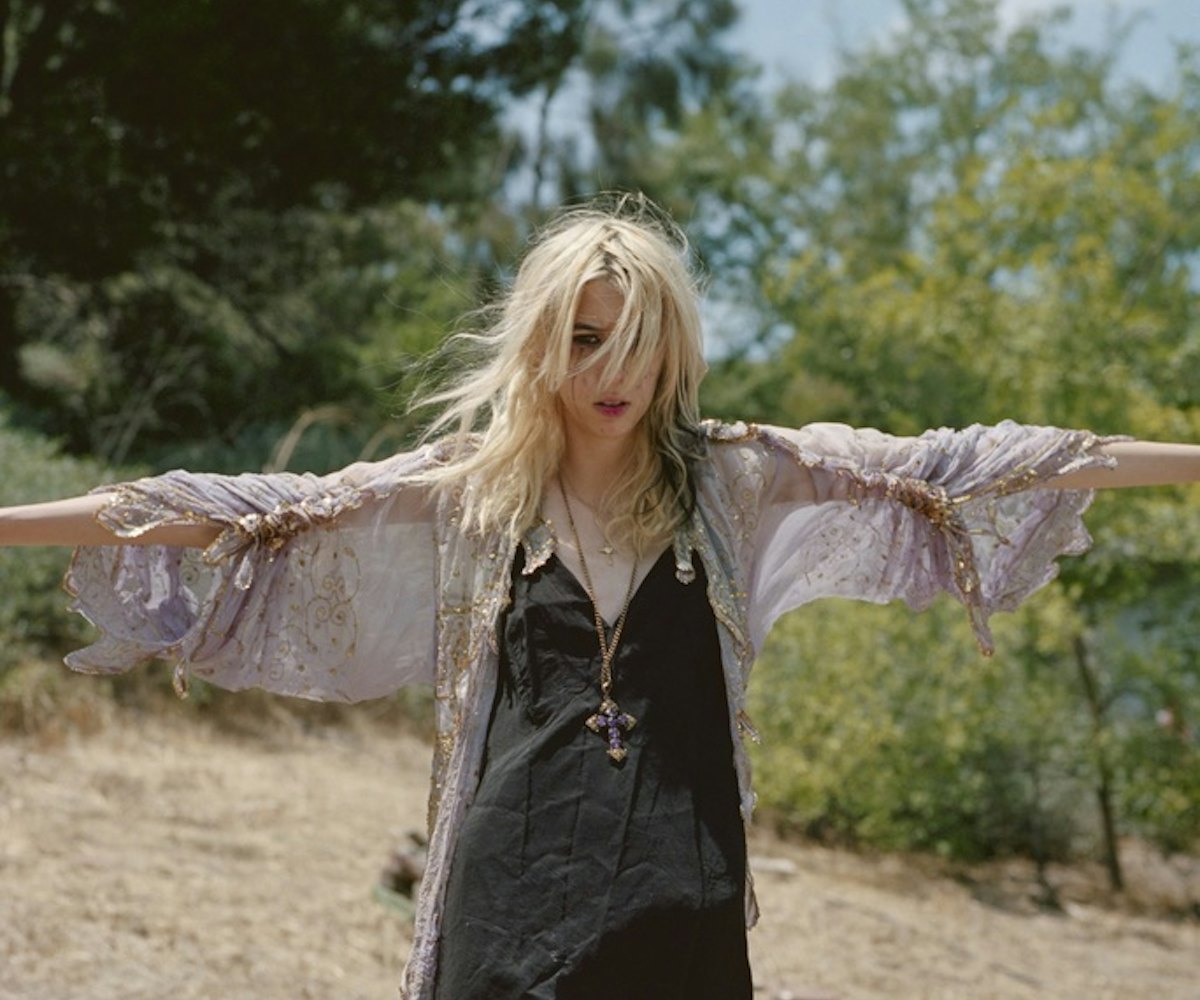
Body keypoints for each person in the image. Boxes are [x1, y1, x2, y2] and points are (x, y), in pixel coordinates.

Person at [1, 194, 1197, 1000]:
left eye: (635, 342)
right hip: (505, 898)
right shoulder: (470, 494)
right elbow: (239, 507)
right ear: (541, 345)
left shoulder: (739, 476)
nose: (610, 372)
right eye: (582, 339)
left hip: (683, 900)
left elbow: (981, 462)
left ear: (673, 345)